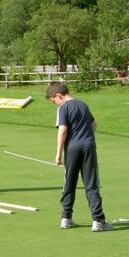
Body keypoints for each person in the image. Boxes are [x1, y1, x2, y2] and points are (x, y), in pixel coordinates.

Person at [46, 82, 114, 232]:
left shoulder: (63, 108)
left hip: (71, 148)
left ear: (59, 96)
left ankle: (66, 217)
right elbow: (94, 124)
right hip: (88, 146)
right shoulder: (83, 104)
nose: (55, 104)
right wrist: (85, 136)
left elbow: (63, 130)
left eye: (54, 101)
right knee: (91, 183)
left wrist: (58, 154)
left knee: (69, 182)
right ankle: (98, 220)